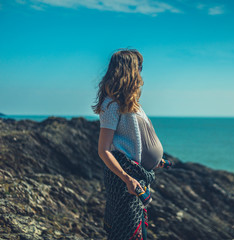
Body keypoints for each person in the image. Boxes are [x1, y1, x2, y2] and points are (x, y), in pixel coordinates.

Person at [92, 48, 172, 240]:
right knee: (127, 234)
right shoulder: (111, 105)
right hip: (125, 182)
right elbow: (104, 150)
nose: (141, 73)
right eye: (139, 67)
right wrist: (127, 178)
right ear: (128, 70)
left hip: (138, 175)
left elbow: (133, 141)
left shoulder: (131, 103)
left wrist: (153, 161)